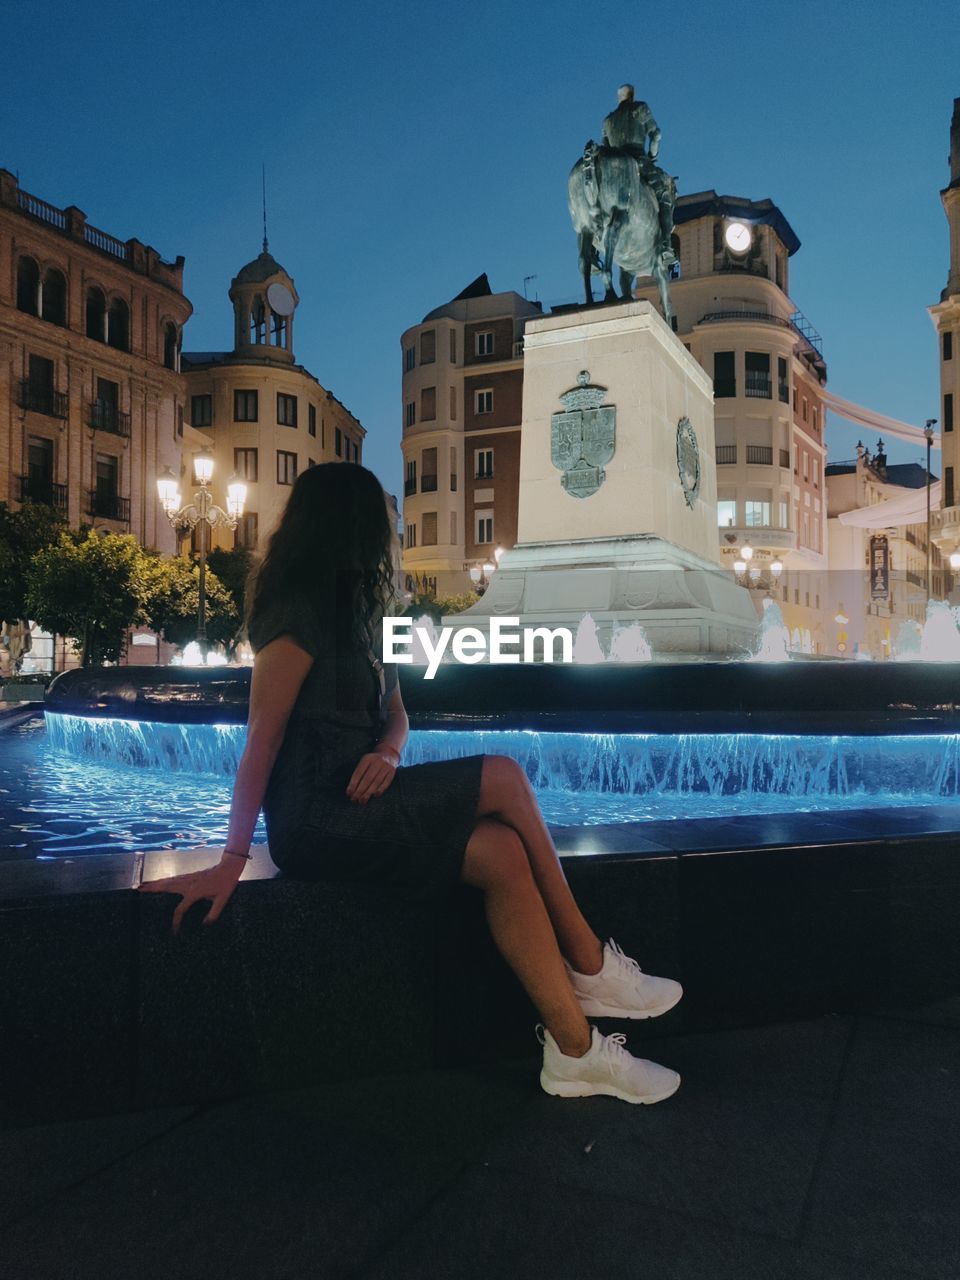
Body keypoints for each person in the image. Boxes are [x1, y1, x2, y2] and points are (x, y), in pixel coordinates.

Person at [141, 463, 683, 1105]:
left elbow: (397, 712)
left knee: (504, 855)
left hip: (366, 797)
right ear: (354, 526)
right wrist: (233, 856)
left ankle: (574, 1053)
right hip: (316, 816)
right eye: (384, 522)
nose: (390, 533)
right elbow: (263, 735)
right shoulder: (300, 610)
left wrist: (391, 754)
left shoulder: (367, 611)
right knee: (505, 777)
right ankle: (590, 964)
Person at [601, 84, 677, 261]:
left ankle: (593, 250)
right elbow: (656, 135)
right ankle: (666, 243)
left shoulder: (607, 120)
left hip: (612, 166)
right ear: (632, 96)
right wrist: (652, 154)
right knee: (665, 194)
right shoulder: (640, 108)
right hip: (638, 160)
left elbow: (605, 149)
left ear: (619, 98)